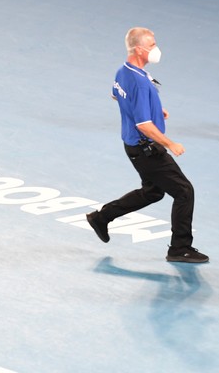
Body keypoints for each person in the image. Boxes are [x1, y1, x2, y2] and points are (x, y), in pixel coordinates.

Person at [85, 28, 208, 264]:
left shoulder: (123, 71)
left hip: (133, 146)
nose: (156, 49)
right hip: (146, 148)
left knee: (152, 192)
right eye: (152, 45)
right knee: (184, 191)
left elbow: (117, 97)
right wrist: (170, 143)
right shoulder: (140, 82)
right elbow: (143, 125)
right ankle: (179, 248)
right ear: (139, 49)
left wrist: (153, 109)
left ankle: (101, 218)